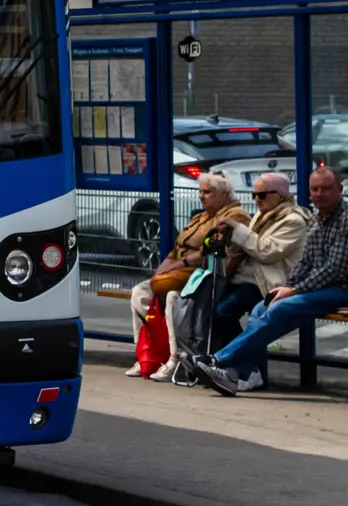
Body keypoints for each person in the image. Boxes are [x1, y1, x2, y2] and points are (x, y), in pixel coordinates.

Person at [198, 165, 346, 396]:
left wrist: (294, 289)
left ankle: (219, 361)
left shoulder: (341, 220)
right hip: (318, 285)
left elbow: (335, 269)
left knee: (282, 307)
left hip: (341, 287)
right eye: (314, 189)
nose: (319, 194)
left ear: (340, 189)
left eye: (326, 189)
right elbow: (305, 263)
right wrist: (288, 286)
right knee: (263, 306)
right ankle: (238, 374)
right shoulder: (317, 220)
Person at [127, 170, 249, 380]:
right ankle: (148, 355)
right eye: (200, 192)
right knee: (140, 293)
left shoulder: (234, 216)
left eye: (208, 192)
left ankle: (176, 359)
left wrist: (179, 263)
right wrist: (164, 266)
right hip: (179, 272)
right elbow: (177, 247)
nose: (202, 196)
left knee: (174, 298)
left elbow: (215, 253)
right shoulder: (200, 217)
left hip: (205, 275)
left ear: (225, 193)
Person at [211, 171, 313, 350]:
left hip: (269, 284)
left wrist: (238, 229)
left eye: (262, 195)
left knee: (223, 312)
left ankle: (242, 362)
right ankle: (229, 361)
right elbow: (248, 245)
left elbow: (266, 251)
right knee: (207, 306)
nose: (257, 200)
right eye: (254, 195)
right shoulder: (263, 214)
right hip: (249, 278)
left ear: (280, 195)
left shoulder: (293, 220)